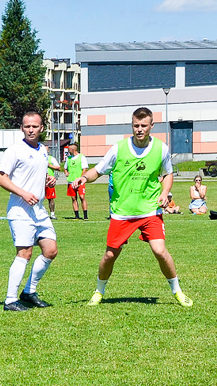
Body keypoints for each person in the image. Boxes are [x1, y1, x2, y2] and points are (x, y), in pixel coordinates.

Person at [72, 107, 192, 307]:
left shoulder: (161, 148)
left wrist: (164, 193)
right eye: (136, 125)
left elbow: (168, 173)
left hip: (149, 211)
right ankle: (98, 292)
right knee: (110, 255)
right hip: (122, 213)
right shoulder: (119, 148)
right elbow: (98, 170)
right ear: (132, 126)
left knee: (160, 251)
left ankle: (177, 291)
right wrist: (84, 177)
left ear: (151, 126)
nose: (139, 129)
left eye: (144, 125)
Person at [0, 111, 58, 311]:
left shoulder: (42, 150)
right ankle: (10, 300)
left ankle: (29, 292)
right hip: (20, 210)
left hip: (38, 211)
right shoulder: (15, 150)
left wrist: (48, 179)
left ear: (41, 128)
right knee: (25, 253)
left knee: (50, 250)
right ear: (22, 128)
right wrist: (23, 193)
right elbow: (1, 178)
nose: (31, 129)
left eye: (35, 126)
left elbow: (35, 173)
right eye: (27, 126)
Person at [64, 143, 88, 219]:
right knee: (73, 198)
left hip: (80, 182)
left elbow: (84, 169)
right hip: (71, 181)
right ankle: (76, 215)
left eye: (69, 149)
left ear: (73, 149)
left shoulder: (81, 157)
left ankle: (85, 215)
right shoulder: (69, 158)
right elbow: (65, 168)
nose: (68, 151)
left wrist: (81, 178)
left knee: (82, 197)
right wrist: (66, 172)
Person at [46, 155, 62, 219]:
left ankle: (52, 214)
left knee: (51, 198)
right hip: (39, 180)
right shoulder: (36, 156)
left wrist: (50, 166)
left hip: (49, 181)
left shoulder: (51, 158)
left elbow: (59, 168)